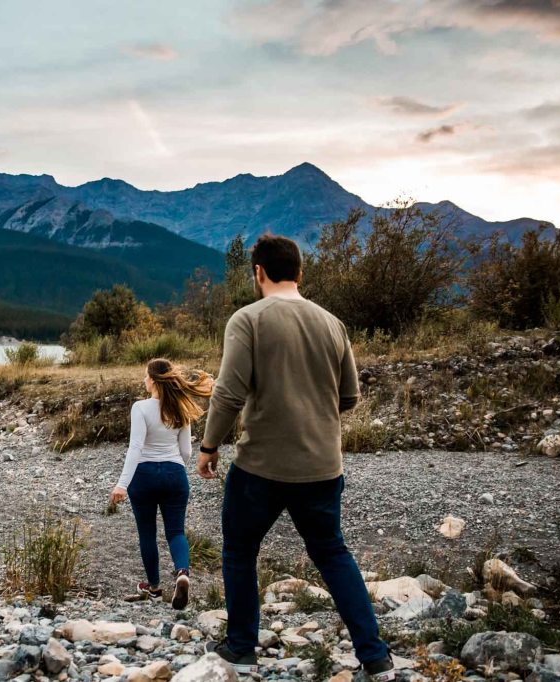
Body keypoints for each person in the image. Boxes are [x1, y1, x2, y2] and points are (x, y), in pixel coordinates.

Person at [196, 235, 394, 680]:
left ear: (259, 273)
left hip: (260, 468)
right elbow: (349, 397)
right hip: (323, 467)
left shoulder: (247, 320)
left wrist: (209, 447)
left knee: (240, 551)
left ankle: (242, 647)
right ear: (300, 273)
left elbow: (228, 393)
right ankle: (375, 657)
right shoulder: (332, 323)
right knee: (332, 554)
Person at [109, 358, 213, 610]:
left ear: (154, 381)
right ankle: (182, 573)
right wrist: (173, 468)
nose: (143, 380)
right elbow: (186, 451)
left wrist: (121, 484)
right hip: (174, 474)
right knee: (176, 531)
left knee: (147, 533)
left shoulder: (140, 408)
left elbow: (135, 448)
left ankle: (154, 587)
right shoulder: (180, 408)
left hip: (143, 476)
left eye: (146, 376)